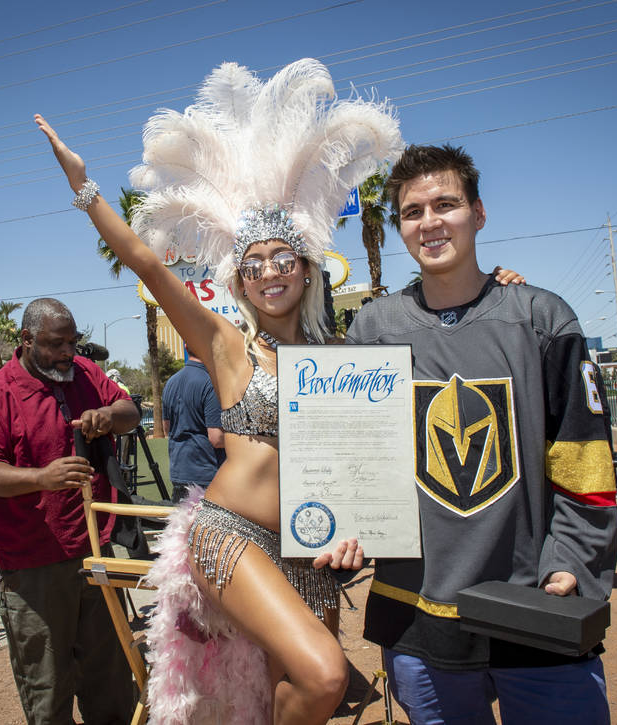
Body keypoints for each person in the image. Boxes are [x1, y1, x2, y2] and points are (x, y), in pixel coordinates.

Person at [36, 59, 400, 723]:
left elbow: (365, 466)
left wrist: (355, 529)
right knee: (324, 677)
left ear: (306, 268)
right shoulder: (228, 347)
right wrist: (84, 187)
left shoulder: (341, 361)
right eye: (253, 264)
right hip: (230, 537)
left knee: (280, 694)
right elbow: (147, 260)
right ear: (238, 284)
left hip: (308, 549)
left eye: (281, 259)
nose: (268, 272)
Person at [346, 143, 617, 724]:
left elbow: (584, 458)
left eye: (446, 204)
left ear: (479, 213)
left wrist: (572, 557)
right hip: (416, 607)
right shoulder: (373, 330)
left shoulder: (541, 317)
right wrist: (345, 521)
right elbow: (356, 459)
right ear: (399, 226)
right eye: (413, 211)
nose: (430, 222)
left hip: (535, 599)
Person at [0, 298, 140, 725]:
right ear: (26, 340)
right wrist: (41, 478)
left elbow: (131, 411)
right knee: (49, 685)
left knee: (110, 676)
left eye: (72, 343)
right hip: (29, 564)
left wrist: (109, 414)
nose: (67, 354)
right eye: (56, 344)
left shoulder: (87, 374)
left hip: (94, 548)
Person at [161, 348, 225, 502]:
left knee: (183, 524)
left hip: (179, 471)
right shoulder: (210, 382)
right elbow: (216, 438)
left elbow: (166, 429)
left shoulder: (171, 382)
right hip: (206, 474)